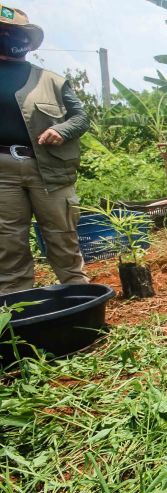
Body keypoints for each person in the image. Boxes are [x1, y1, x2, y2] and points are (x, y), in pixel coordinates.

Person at [0, 5, 90, 295]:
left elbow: (81, 117)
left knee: (62, 235)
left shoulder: (50, 80)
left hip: (48, 168)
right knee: (8, 242)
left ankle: (78, 297)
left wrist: (60, 130)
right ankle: (16, 313)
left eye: (11, 32)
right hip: (2, 171)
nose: (6, 36)